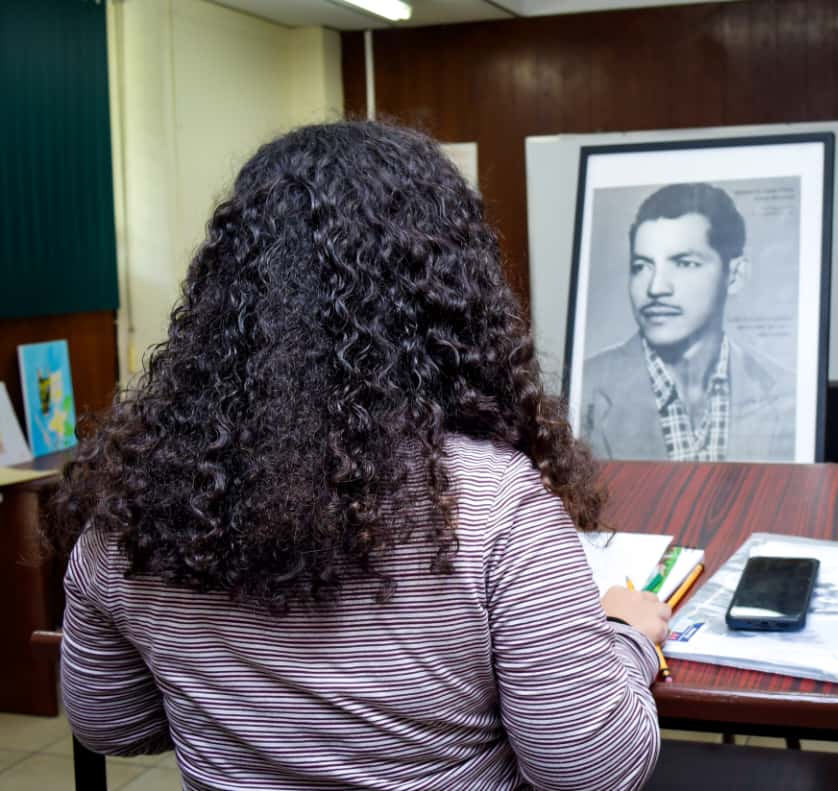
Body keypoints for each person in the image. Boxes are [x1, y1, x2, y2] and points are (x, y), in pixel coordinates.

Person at [50, 121, 671, 790]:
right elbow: (591, 771)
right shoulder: (494, 503)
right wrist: (626, 635)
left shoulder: (137, 507)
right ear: (448, 293)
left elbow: (109, 724)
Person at [580, 182, 795, 462]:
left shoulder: (788, 393)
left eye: (685, 263)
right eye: (641, 267)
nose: (656, 287)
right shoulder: (583, 390)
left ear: (735, 275)